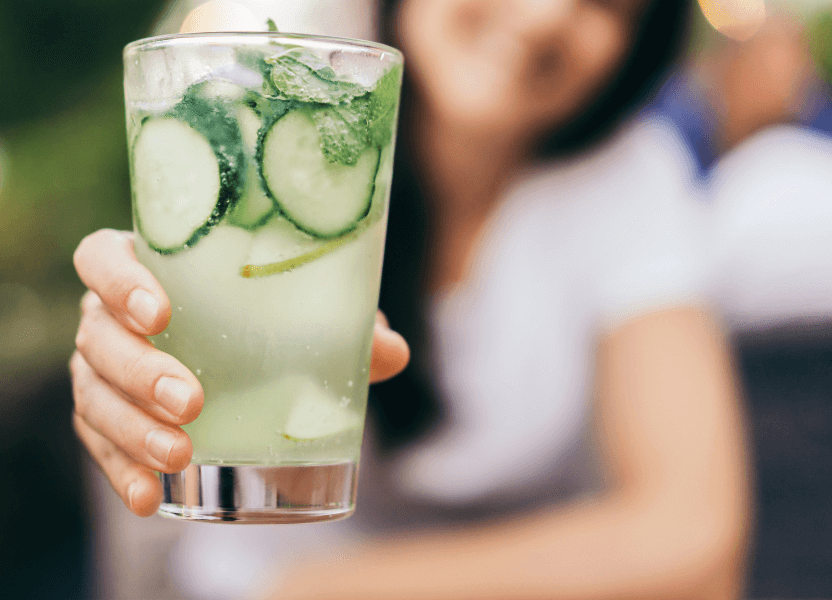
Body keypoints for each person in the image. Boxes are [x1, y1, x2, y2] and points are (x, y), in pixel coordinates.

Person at [70, 1, 752, 598]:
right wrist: (131, 346)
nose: (548, 13)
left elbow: (695, 543)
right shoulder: (262, 121)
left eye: (607, 4)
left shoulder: (627, 180)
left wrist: (327, 592)